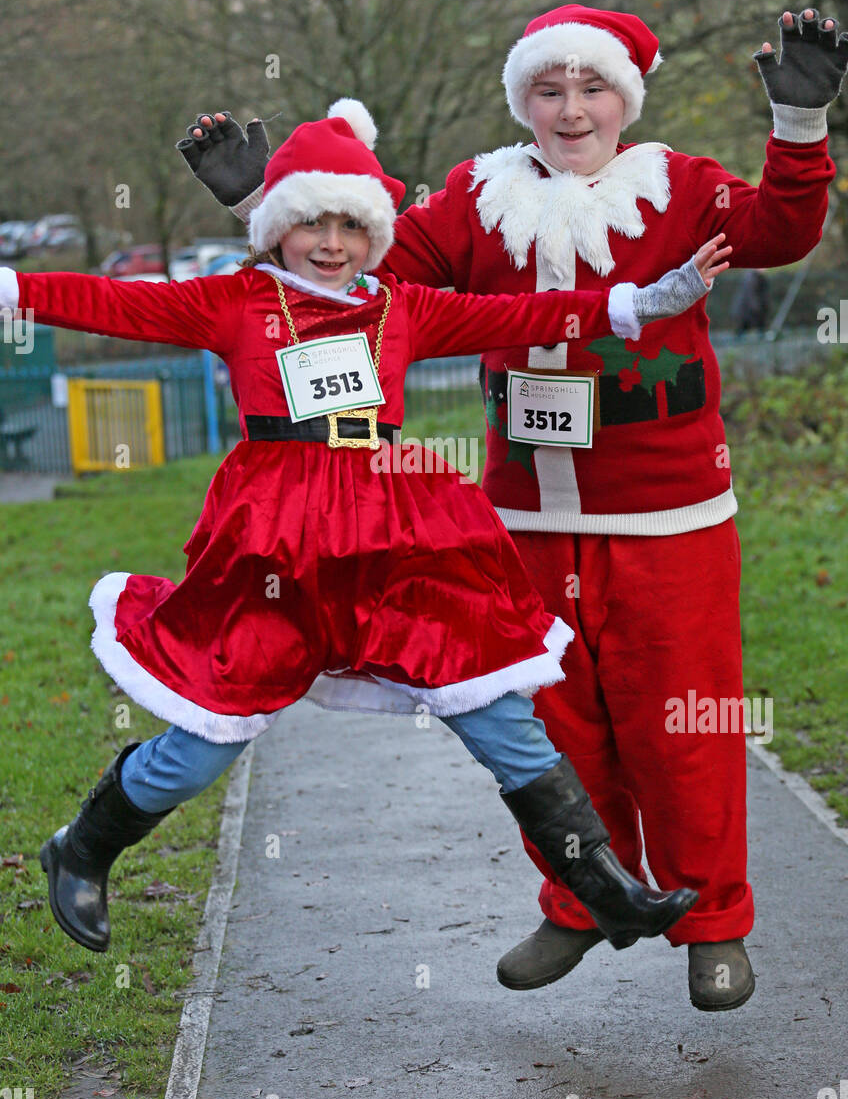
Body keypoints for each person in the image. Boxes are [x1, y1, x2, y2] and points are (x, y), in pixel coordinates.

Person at [180, 5, 846, 1011]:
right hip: (525, 516)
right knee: (554, 724)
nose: (569, 108)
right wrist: (267, 213)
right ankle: (576, 902)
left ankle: (712, 922)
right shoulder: (470, 199)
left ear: (622, 98)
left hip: (667, 511)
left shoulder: (681, 186)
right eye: (548, 88)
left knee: (679, 727)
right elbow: (357, 287)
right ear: (521, 101)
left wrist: (798, 126)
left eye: (590, 87)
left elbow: (780, 232)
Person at [0, 100, 727, 958]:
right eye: (311, 222)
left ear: (375, 233)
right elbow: (109, 303)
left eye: (351, 224)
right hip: (275, 543)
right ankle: (83, 849)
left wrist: (644, 300)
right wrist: (15, 289)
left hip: (396, 534)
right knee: (206, 742)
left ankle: (601, 887)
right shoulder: (234, 302)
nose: (332, 243)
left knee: (491, 702)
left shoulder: (402, 307)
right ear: (277, 227)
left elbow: (523, 316)